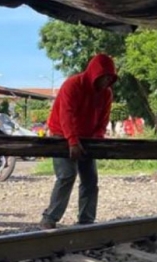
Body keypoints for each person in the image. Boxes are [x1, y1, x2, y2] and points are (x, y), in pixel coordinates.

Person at [40, 54, 117, 229]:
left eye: (110, 78)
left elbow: (103, 120)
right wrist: (72, 141)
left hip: (88, 138)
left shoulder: (106, 94)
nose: (106, 81)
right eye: (104, 77)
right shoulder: (72, 85)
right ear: (94, 74)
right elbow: (66, 114)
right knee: (67, 175)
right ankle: (50, 218)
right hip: (61, 134)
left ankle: (86, 220)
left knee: (90, 179)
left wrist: (97, 140)